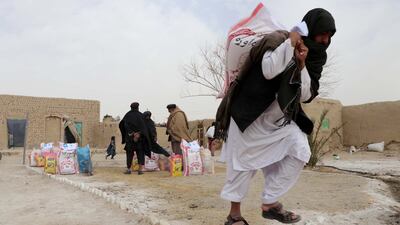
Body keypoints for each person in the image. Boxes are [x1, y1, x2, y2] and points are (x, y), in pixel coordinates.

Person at [218, 9, 336, 225]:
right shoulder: (279, 38)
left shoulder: (315, 58)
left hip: (277, 120)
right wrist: (290, 43)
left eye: (329, 36)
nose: (325, 40)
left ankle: (270, 203)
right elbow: (269, 70)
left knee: (300, 149)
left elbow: (307, 94)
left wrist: (301, 66)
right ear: (311, 28)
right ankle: (234, 215)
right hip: (249, 115)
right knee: (242, 165)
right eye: (322, 34)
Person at [119, 102, 151, 175]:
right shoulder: (141, 115)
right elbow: (144, 127)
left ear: (131, 107)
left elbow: (123, 125)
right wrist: (138, 134)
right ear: (138, 107)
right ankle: (140, 170)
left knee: (129, 154)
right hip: (139, 139)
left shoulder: (127, 115)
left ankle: (129, 169)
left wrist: (131, 133)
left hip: (130, 139)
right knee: (140, 153)